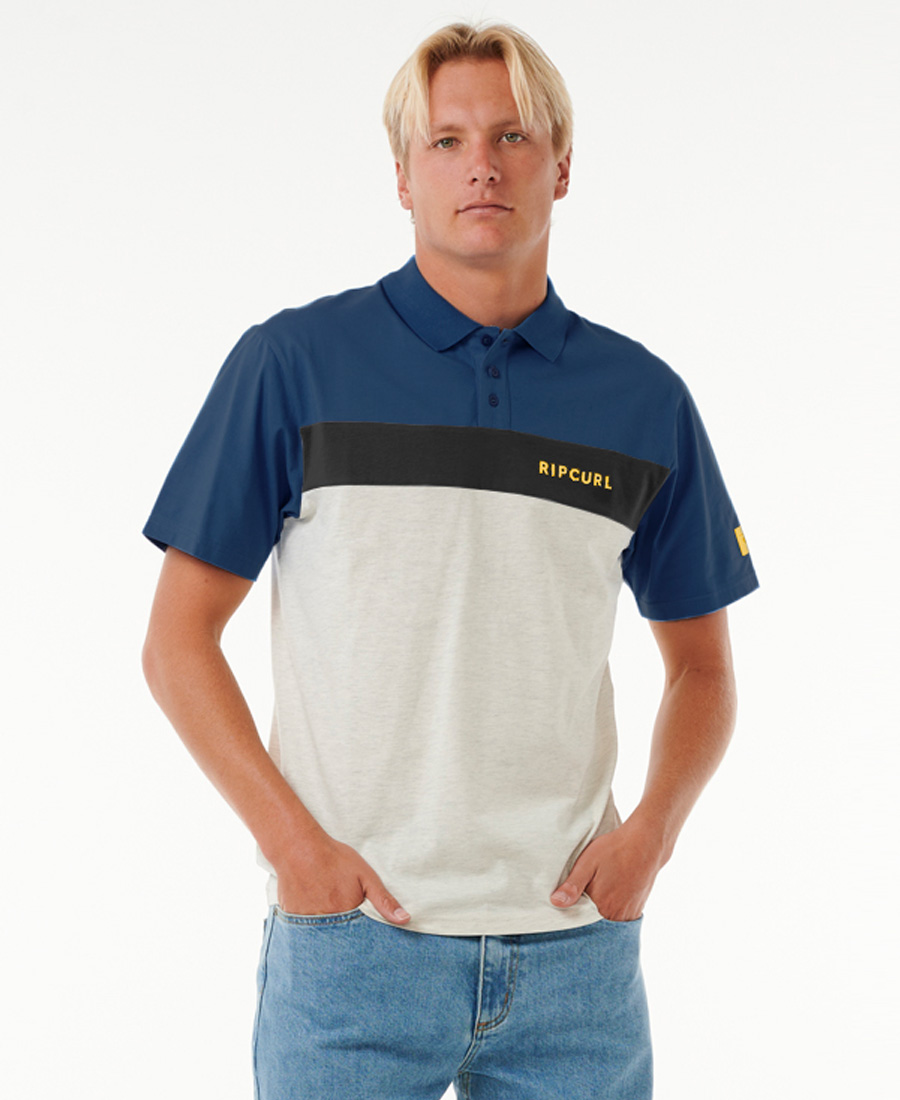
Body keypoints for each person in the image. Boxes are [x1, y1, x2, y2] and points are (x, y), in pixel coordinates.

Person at [142, 21, 758, 1100]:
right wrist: (295, 850)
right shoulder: (292, 365)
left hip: (576, 954)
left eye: (513, 135)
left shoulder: (643, 400)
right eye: (448, 140)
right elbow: (176, 642)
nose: (482, 165)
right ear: (402, 175)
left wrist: (653, 834)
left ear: (561, 165)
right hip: (356, 946)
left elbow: (703, 667)